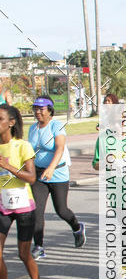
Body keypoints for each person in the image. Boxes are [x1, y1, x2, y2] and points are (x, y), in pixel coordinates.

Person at [0, 104, 48, 279]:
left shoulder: (22, 146)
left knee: (23, 254)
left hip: (23, 206)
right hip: (3, 205)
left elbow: (31, 177)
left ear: (11, 122)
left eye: (0, 119)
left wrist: (8, 166)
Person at [28, 96, 85, 260]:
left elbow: (59, 148)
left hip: (57, 173)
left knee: (61, 210)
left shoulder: (56, 126)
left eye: (41, 109)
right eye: (35, 109)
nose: (38, 112)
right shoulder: (32, 128)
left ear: (50, 110)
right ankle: (39, 246)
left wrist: (51, 167)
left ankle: (77, 227)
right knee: (37, 211)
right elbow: (30, 151)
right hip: (39, 175)